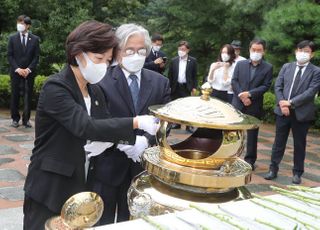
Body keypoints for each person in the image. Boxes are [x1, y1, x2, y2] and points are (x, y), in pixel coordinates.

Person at [23, 20, 159, 230]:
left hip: (81, 181)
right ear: (79, 54)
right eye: (98, 58)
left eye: (107, 60)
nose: (103, 66)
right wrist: (136, 123)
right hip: (51, 185)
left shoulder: (94, 91)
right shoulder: (56, 87)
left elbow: (104, 125)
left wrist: (129, 142)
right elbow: (85, 126)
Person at [88, 23, 171, 225]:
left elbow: (166, 120)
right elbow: (98, 120)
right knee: (102, 221)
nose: (136, 55)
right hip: (107, 165)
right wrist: (126, 141)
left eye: (141, 50)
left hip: (141, 170)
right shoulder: (101, 79)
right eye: (129, 50)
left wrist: (146, 141)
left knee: (134, 222)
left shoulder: (160, 82)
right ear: (117, 52)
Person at [264, 40, 320, 184]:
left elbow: (311, 92)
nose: (302, 53)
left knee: (299, 144)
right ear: (296, 51)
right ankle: (273, 169)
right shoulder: (286, 67)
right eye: (300, 50)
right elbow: (278, 86)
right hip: (283, 111)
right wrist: (283, 103)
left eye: (306, 51)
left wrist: (291, 103)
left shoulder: (316, 71)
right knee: (278, 142)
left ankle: (297, 173)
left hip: (301, 113)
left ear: (312, 54)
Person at [231, 38, 273, 170]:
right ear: (249, 50)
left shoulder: (268, 67)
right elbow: (234, 81)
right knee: (233, 132)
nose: (256, 52)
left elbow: (266, 86)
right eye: (253, 49)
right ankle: (231, 157)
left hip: (254, 104)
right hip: (238, 102)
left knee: (252, 134)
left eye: (259, 50)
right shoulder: (240, 64)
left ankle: (249, 160)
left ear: (263, 51)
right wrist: (242, 96)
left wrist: (249, 94)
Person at [8, 15, 40, 128]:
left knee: (28, 96)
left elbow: (36, 57)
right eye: (19, 22)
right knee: (15, 95)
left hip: (29, 73)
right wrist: (17, 69)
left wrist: (28, 69)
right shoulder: (12, 38)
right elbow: (10, 56)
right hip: (16, 72)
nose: (20, 25)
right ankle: (15, 119)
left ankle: (26, 120)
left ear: (28, 25)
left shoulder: (35, 39)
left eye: (22, 23)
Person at [168, 40, 197, 131]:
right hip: (176, 86)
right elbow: (170, 75)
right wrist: (169, 86)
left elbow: (194, 75)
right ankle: (176, 123)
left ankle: (188, 125)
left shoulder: (192, 61)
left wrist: (194, 87)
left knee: (187, 106)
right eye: (180, 49)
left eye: (183, 49)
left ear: (188, 50)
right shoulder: (174, 61)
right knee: (176, 106)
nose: (181, 51)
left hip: (186, 87)